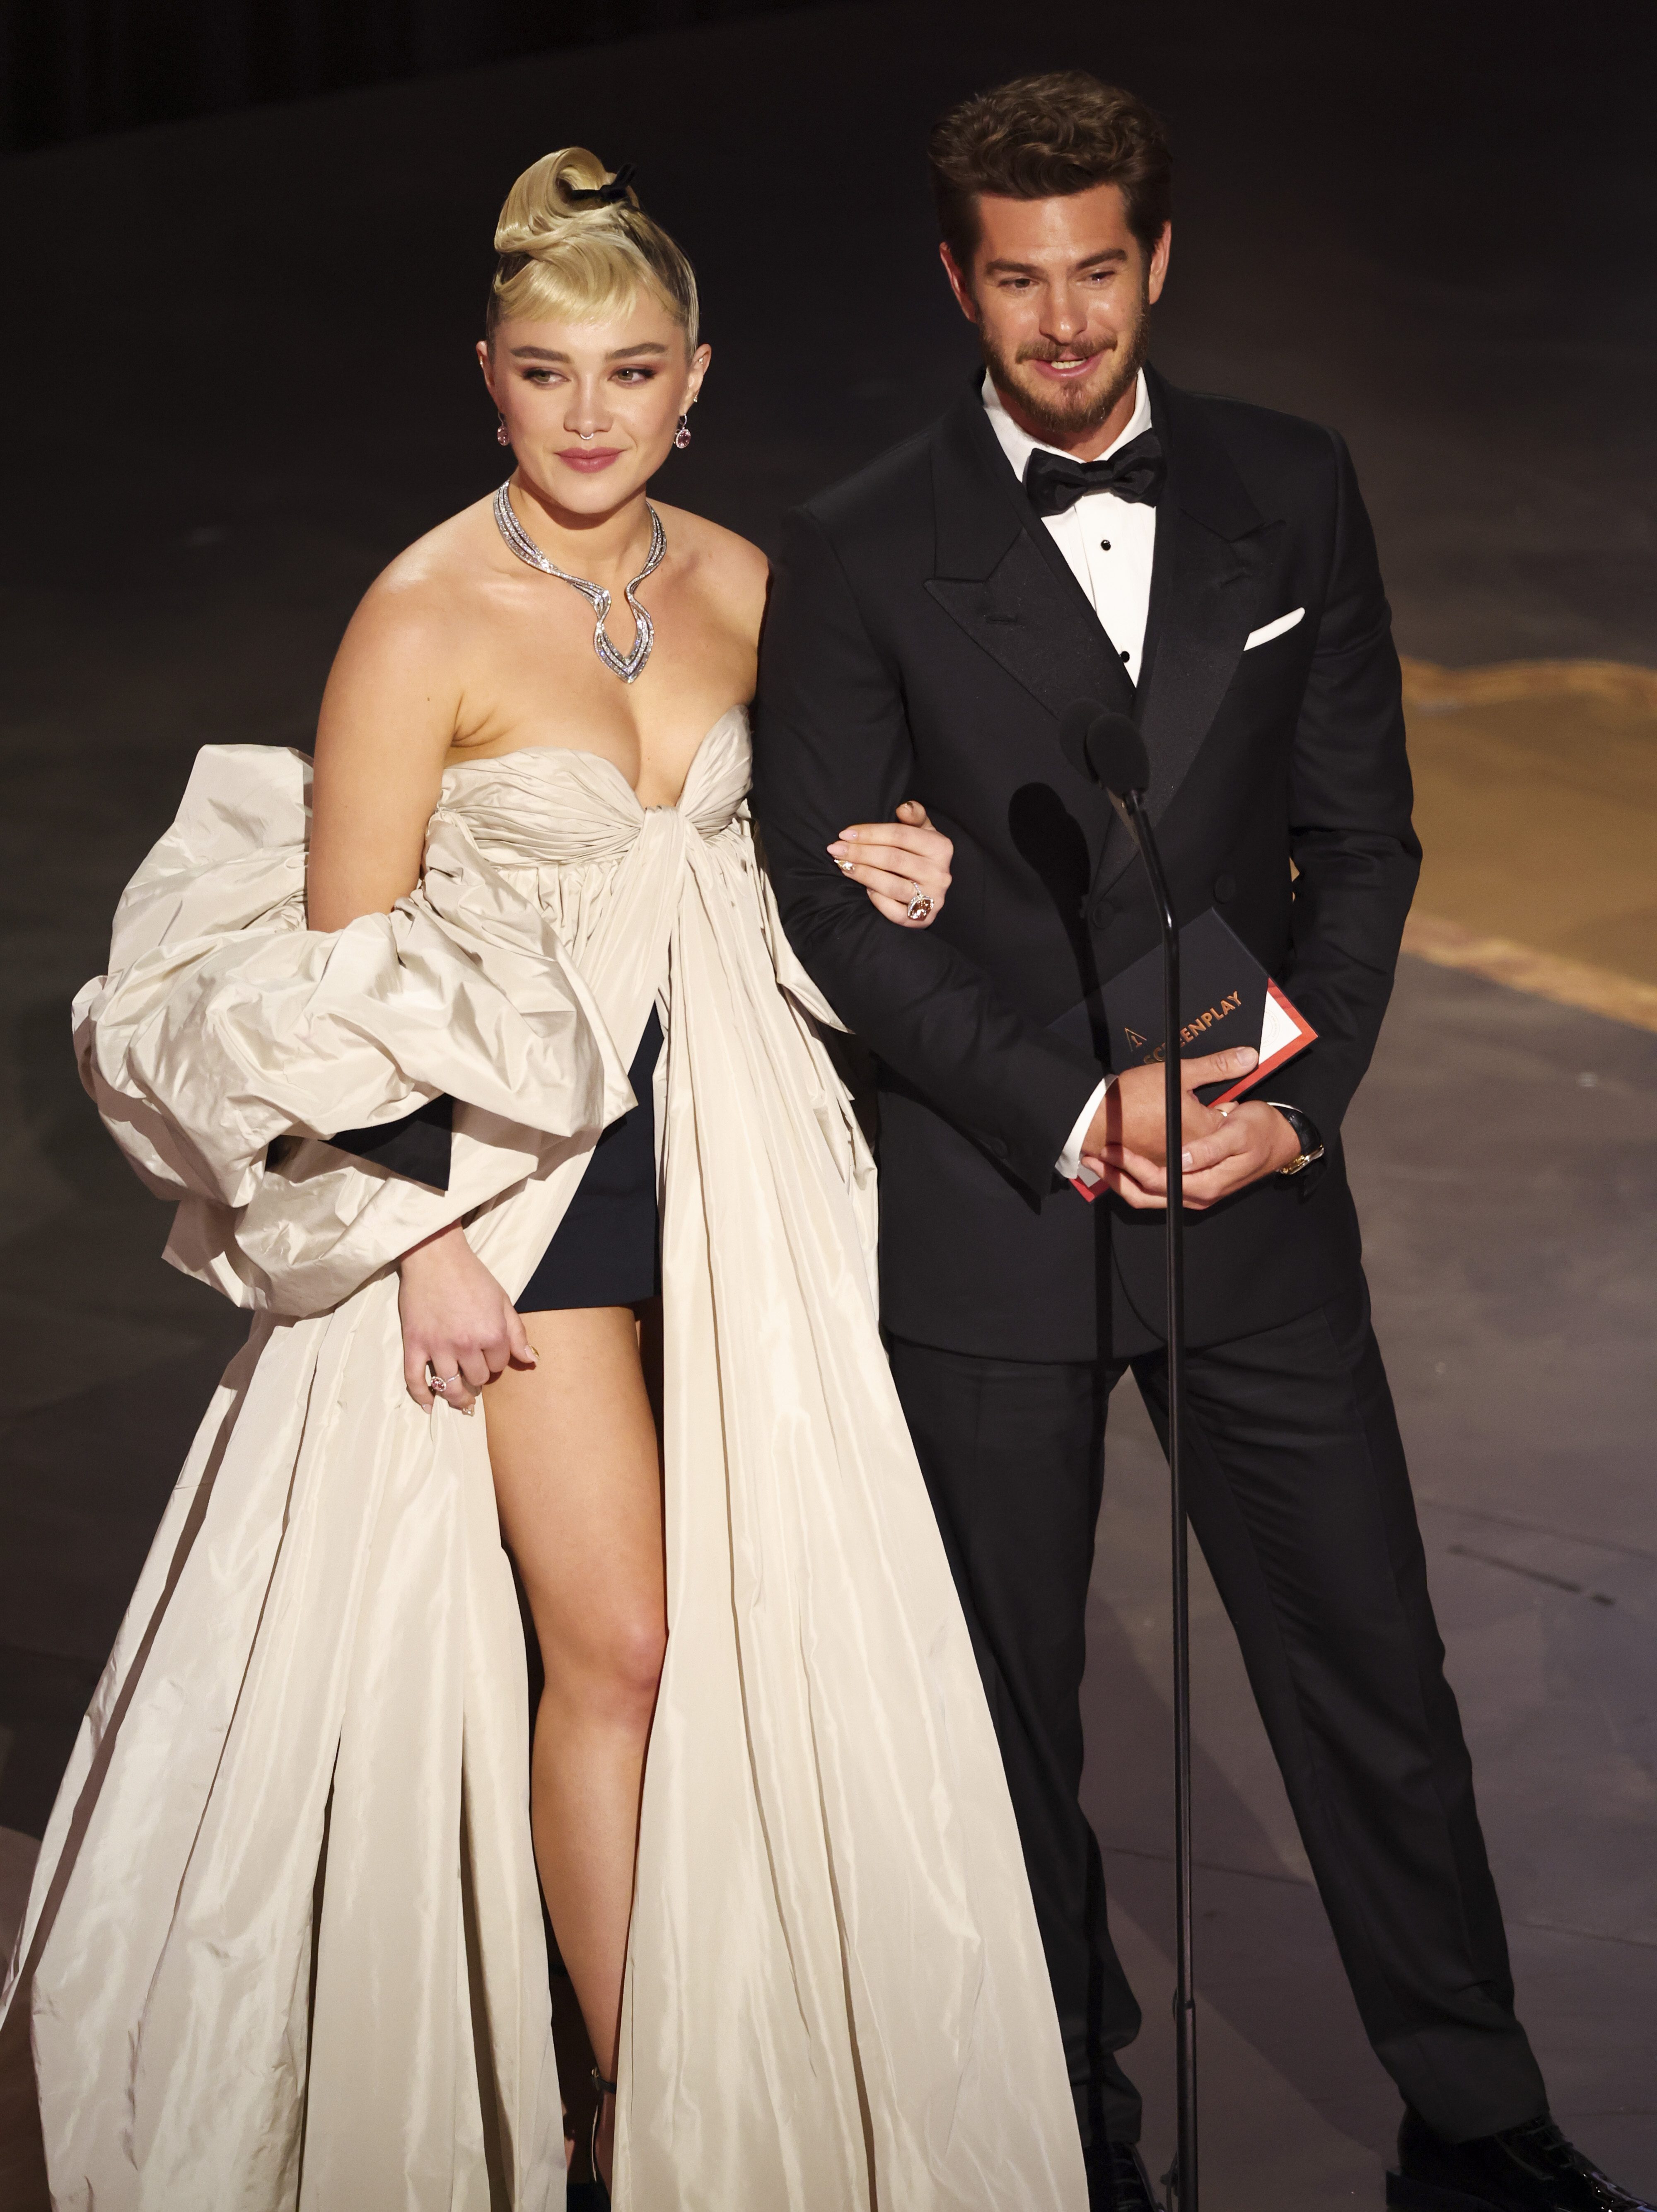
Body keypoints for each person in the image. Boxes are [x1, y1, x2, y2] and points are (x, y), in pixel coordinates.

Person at [1, 150, 1089, 2209]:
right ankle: (644, 2102)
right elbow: (337, 970)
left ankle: (743, 2064)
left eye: (633, 372)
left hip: (752, 1159)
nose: (589, 414)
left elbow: (825, 846)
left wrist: (891, 860)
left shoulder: (756, 584)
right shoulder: (421, 615)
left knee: (784, 1625)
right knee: (625, 1644)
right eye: (543, 372)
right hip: (521, 1185)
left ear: (700, 383)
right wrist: (411, 1235)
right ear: (483, 382)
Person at [752, 70, 1654, 2212]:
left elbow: (1364, 834)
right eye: (1018, 283)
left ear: (1159, 260)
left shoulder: (1290, 488)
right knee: (1016, 1720)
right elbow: (825, 905)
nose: (1064, 327)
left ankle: (1479, 2117)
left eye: (1098, 274)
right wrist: (1067, 1107)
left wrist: (1298, 1107)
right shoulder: (865, 544)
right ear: (955, 283)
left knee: (1372, 1668)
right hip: (996, 1205)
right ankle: (1080, 2146)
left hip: (1250, 1177)